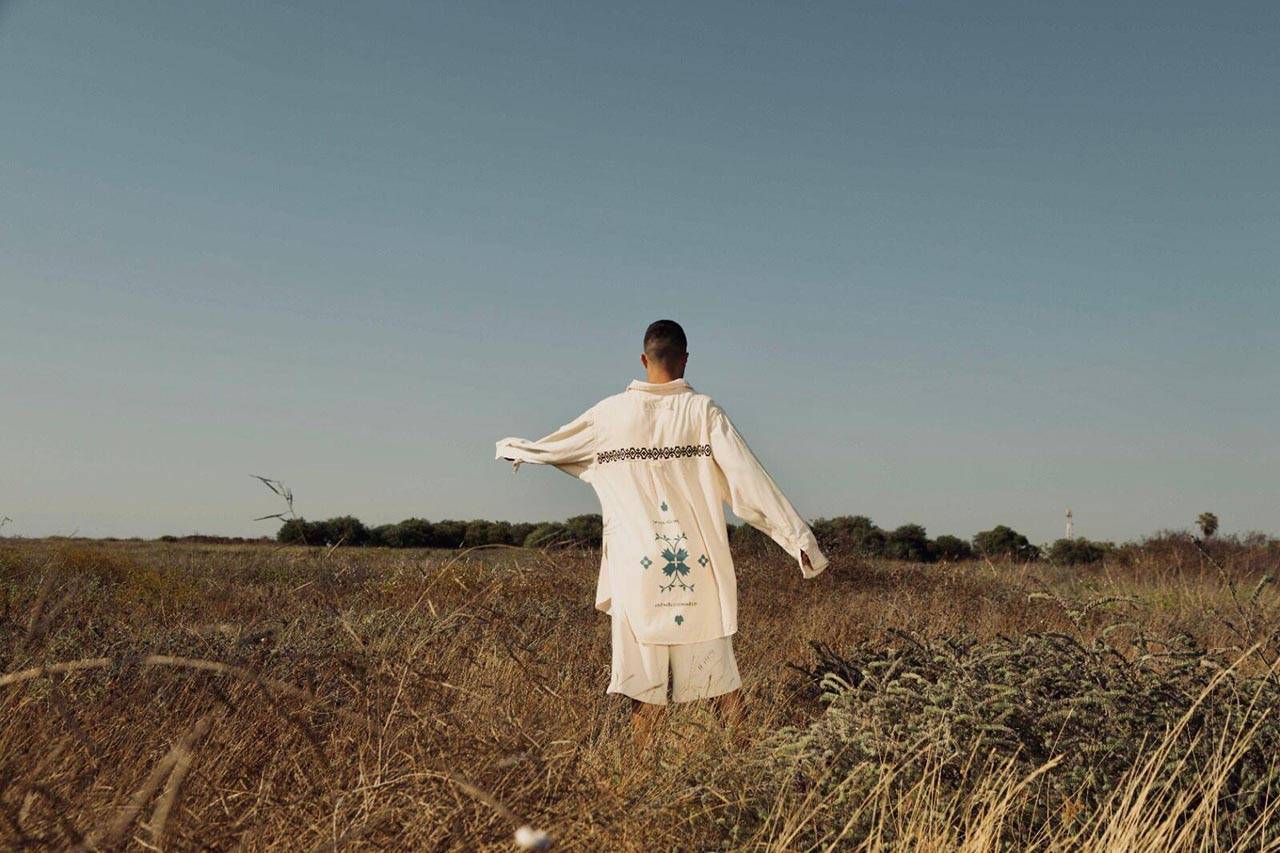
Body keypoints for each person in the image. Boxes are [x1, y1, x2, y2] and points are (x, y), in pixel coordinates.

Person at [494, 319, 827, 737]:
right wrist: (799, 540)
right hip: (696, 569)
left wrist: (517, 449)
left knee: (645, 688)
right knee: (720, 683)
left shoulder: (609, 416)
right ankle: (743, 758)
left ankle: (639, 769)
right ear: (685, 359)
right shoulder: (703, 413)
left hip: (636, 571)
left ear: (643, 359)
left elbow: (556, 445)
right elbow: (750, 481)